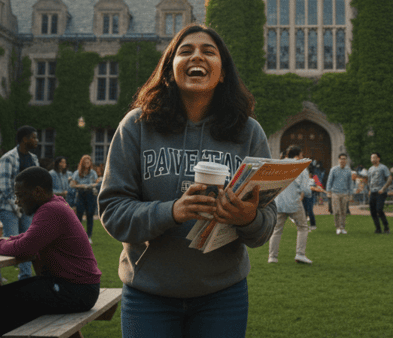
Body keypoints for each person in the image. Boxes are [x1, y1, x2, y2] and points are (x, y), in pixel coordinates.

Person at [98, 24, 276, 338]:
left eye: (209, 51)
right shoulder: (136, 126)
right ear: (170, 70)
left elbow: (265, 225)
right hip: (148, 293)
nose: (197, 56)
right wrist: (172, 211)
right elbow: (112, 212)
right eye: (186, 51)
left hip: (222, 295)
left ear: (223, 73)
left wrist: (248, 218)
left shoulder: (248, 132)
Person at [0, 167, 101, 336]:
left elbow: (24, 248)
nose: (17, 201)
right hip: (78, 287)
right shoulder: (55, 204)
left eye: (20, 195)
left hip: (77, 290)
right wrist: (2, 240)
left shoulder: (51, 210)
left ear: (38, 192)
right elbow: (30, 237)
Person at [0, 125, 39, 280]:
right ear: (24, 139)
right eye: (34, 137)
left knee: (27, 243)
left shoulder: (33, 159)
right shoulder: (8, 158)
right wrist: (17, 206)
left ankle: (25, 276)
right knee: (8, 242)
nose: (37, 141)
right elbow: (4, 186)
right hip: (8, 207)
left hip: (27, 208)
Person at [268, 146, 312, 265]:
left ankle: (272, 257)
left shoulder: (278, 164)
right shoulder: (301, 166)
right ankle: (300, 254)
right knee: (303, 227)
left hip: (279, 202)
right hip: (294, 203)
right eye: (302, 155)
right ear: (299, 155)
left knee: (276, 230)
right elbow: (305, 189)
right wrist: (310, 192)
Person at [71, 155, 100, 242]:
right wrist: (82, 186)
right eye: (85, 162)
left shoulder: (93, 173)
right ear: (82, 163)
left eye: (88, 162)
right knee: (79, 215)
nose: (87, 163)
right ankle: (78, 235)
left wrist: (90, 185)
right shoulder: (77, 173)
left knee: (90, 215)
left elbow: (97, 183)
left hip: (90, 194)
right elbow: (73, 184)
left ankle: (89, 236)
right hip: (80, 194)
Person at [326, 153, 353, 235]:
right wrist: (328, 191)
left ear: (346, 160)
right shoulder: (334, 169)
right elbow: (329, 181)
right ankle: (337, 227)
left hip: (345, 193)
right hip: (335, 193)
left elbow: (350, 183)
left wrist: (351, 194)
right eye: (341, 159)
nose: (343, 160)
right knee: (336, 211)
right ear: (338, 160)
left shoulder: (348, 170)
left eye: (344, 159)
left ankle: (342, 227)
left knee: (344, 211)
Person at [367, 152, 392, 234]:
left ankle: (386, 227)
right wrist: (369, 190)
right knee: (373, 211)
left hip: (381, 192)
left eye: (374, 157)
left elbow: (389, 178)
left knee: (379, 209)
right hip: (373, 192)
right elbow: (369, 181)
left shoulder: (383, 167)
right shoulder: (370, 169)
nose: (373, 159)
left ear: (378, 158)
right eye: (371, 158)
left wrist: (383, 188)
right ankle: (378, 228)